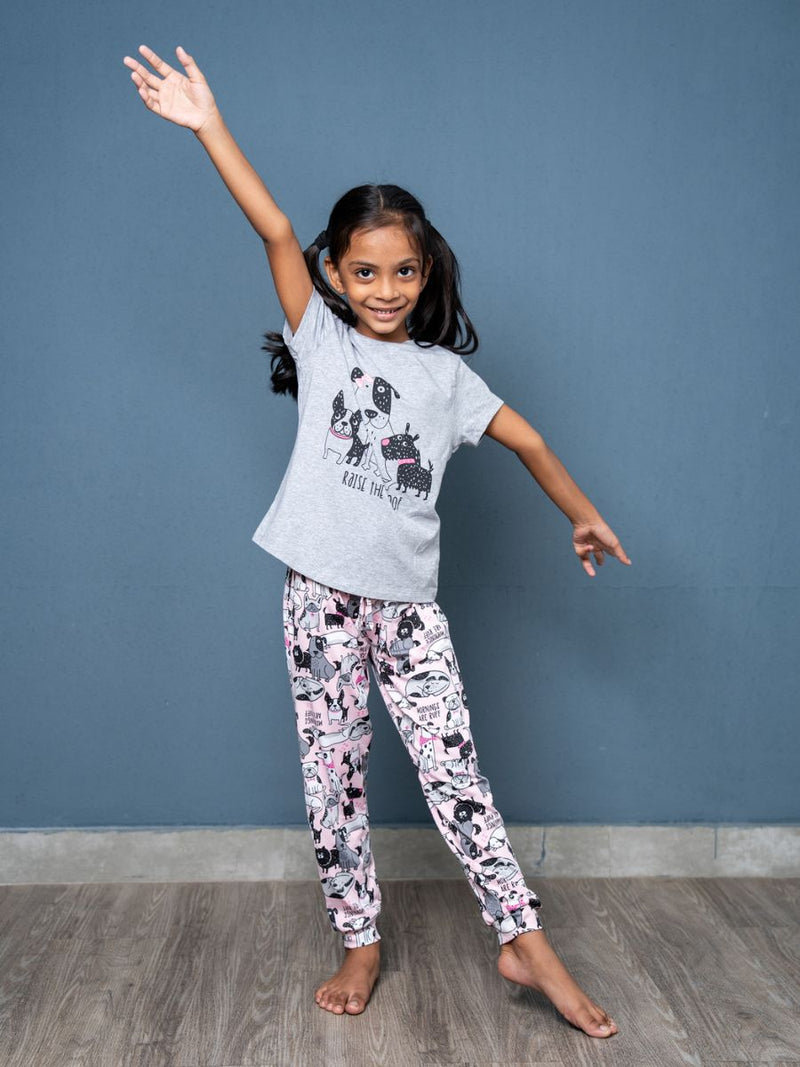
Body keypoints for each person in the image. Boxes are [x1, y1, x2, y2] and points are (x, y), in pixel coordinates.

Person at [123, 43, 631, 1039]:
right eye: (365, 271)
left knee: (456, 772)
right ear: (334, 274)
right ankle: (358, 936)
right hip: (318, 595)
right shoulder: (321, 340)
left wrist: (577, 508)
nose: (387, 287)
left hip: (406, 609)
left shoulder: (445, 380)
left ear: (426, 268)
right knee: (334, 773)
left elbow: (524, 435)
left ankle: (520, 935)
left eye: (404, 269)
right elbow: (270, 223)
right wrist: (206, 125)